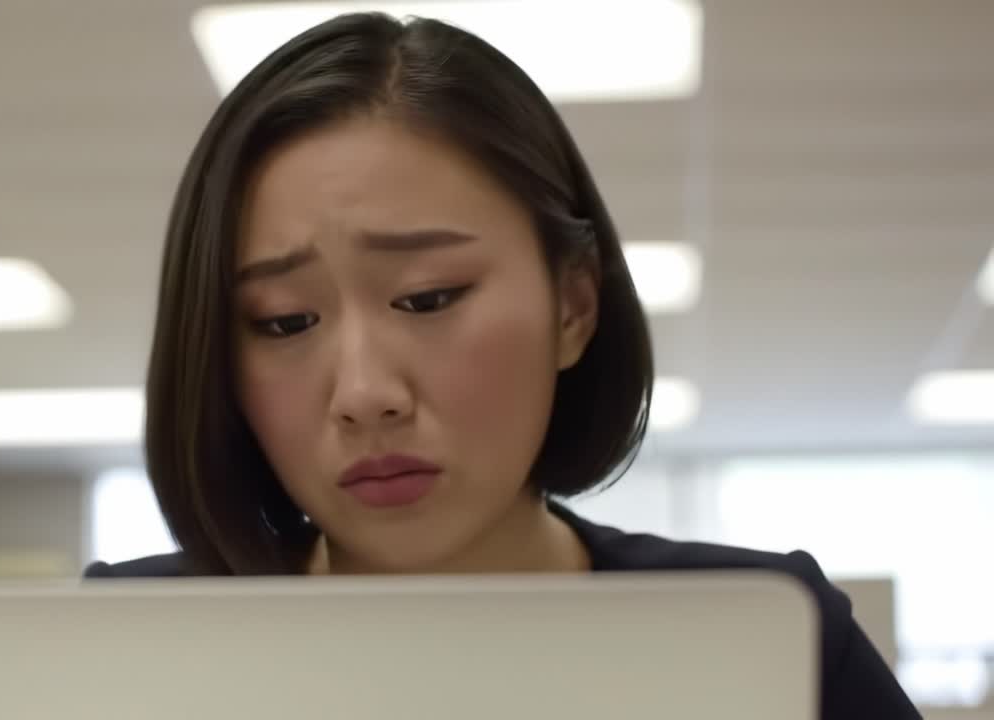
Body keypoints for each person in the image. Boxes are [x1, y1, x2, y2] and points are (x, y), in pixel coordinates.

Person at [85, 12, 920, 719]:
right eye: (285, 321)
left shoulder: (767, 642)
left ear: (573, 308)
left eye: (427, 298)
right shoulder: (120, 654)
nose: (366, 394)